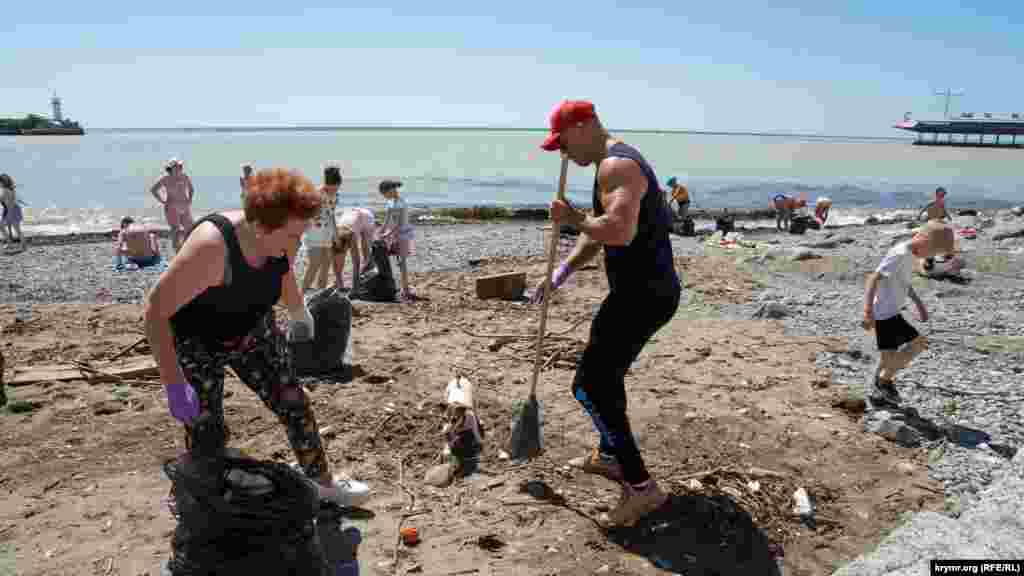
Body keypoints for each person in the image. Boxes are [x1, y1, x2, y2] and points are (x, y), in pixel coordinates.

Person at [143, 167, 369, 507]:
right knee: (206, 430)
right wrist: (173, 383)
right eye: (295, 235)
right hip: (198, 339)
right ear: (261, 226)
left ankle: (321, 484)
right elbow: (155, 312)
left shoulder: (281, 239)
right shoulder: (212, 247)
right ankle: (196, 497)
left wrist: (297, 311)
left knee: (294, 403)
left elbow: (283, 271)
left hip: (252, 328)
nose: (299, 243)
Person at [532, 100, 681, 527]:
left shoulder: (616, 167)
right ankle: (612, 454)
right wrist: (561, 272)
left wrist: (572, 216)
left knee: (590, 385)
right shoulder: (609, 164)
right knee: (604, 377)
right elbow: (598, 233)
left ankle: (640, 488)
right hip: (640, 293)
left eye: (562, 142)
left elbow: (619, 230)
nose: (563, 153)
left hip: (644, 296)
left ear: (585, 127)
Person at [863, 221, 955, 408]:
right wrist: (867, 312)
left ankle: (877, 390)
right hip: (884, 315)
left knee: (890, 358)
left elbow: (903, 281)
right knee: (915, 345)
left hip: (892, 312)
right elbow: (873, 278)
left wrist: (918, 302)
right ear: (922, 239)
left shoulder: (910, 253)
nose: (929, 257)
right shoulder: (899, 254)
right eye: (931, 252)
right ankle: (883, 382)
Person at [301, 165, 341, 292]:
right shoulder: (316, 194)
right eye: (332, 187)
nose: (334, 190)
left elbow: (331, 215)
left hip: (327, 233)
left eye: (337, 187)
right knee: (314, 264)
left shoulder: (335, 196)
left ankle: (320, 294)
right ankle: (301, 295)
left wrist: (336, 235)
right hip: (313, 233)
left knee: (326, 265)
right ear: (327, 184)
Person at [149, 158, 195, 254]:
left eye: (181, 166)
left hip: (184, 206)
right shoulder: (165, 178)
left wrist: (189, 200)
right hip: (172, 207)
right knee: (176, 231)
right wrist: (162, 201)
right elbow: (153, 189)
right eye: (178, 166)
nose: (180, 168)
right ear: (172, 168)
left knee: (190, 228)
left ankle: (187, 249)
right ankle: (178, 253)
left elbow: (191, 189)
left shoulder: (184, 176)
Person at [379, 180, 415, 301]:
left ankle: (406, 291)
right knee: (398, 261)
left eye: (385, 194)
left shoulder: (400, 202)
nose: (385, 197)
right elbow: (387, 218)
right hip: (394, 234)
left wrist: (387, 233)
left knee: (402, 262)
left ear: (390, 190)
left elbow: (399, 223)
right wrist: (381, 230)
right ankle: (403, 288)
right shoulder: (390, 202)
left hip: (402, 234)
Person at [332, 207, 376, 291]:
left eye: (344, 250)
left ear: (347, 246)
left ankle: (367, 270)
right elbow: (335, 263)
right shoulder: (333, 238)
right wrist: (340, 285)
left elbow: (356, 262)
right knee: (338, 261)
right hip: (350, 215)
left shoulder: (351, 236)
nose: (345, 253)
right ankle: (339, 282)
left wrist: (355, 286)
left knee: (365, 244)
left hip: (366, 217)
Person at [918, 187, 954, 271]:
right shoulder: (933, 202)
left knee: (945, 235)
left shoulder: (941, 203)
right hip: (931, 222)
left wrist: (949, 218)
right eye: (941, 195)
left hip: (938, 221)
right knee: (930, 239)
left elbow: (944, 211)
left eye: (943, 195)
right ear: (937, 194)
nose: (943, 196)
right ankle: (929, 259)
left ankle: (945, 255)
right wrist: (919, 215)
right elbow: (924, 208)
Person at [1, 174, 25, 250]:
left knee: (16, 229)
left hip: (12, 210)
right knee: (6, 227)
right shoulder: (9, 189)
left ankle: (22, 245)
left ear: (3, 182)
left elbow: (9, 204)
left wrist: (9, 215)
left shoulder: (6, 190)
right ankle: (10, 243)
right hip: (13, 209)